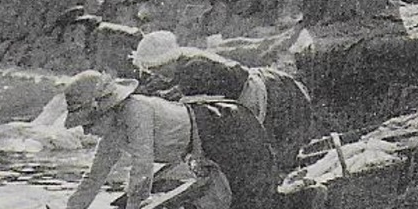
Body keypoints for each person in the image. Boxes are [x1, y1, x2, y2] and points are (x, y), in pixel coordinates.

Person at [44, 70, 288, 209]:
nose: (86, 131)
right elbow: (94, 177)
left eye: (89, 123)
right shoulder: (113, 134)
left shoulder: (135, 111)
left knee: (254, 194)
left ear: (106, 109)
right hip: (202, 142)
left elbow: (142, 165)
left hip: (223, 124)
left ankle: (299, 206)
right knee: (234, 207)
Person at [132, 30, 313, 171]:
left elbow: (197, 114)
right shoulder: (184, 59)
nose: (157, 73)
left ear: (170, 59)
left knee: (265, 148)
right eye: (152, 70)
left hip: (259, 94)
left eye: (159, 67)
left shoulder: (192, 69)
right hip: (251, 82)